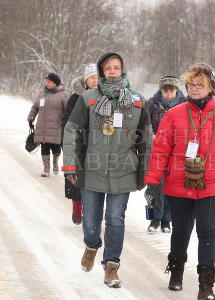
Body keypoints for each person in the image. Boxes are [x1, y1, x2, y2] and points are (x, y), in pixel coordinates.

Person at [144, 63, 215, 300]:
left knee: (208, 231)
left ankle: (206, 285)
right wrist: (152, 183)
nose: (193, 88)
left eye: (199, 84)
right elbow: (160, 151)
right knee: (181, 231)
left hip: (213, 183)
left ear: (211, 87)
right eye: (190, 84)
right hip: (179, 182)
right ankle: (177, 270)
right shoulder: (173, 115)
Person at [62, 52, 152, 288]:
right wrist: (70, 164)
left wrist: (146, 170)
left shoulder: (137, 100)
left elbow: (147, 140)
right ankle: (91, 245)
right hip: (92, 169)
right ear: (101, 71)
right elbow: (71, 130)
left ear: (122, 70)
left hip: (123, 170)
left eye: (116, 67)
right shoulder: (88, 98)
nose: (112, 71)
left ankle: (111, 266)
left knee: (115, 220)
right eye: (108, 68)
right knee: (90, 220)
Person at [146, 75, 186, 233]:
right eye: (166, 90)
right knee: (155, 184)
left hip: (177, 151)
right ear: (161, 90)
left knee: (172, 185)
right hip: (157, 149)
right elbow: (145, 123)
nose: (169, 94)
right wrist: (151, 136)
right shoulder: (151, 104)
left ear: (177, 90)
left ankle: (166, 220)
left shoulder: (186, 104)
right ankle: (154, 219)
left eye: (172, 90)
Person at [61, 64, 98, 225]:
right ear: (86, 80)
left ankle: (93, 213)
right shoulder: (75, 97)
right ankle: (77, 208)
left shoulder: (103, 97)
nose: (95, 80)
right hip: (78, 146)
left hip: (97, 146)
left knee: (95, 183)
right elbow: (66, 123)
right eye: (92, 77)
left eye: (98, 77)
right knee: (77, 181)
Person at [27, 73, 69, 177]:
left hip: (56, 127)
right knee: (44, 148)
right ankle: (46, 169)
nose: (47, 83)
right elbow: (35, 107)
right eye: (47, 81)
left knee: (56, 148)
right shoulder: (42, 94)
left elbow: (69, 109)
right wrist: (31, 117)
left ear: (55, 83)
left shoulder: (63, 94)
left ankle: (55, 163)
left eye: (49, 81)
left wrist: (67, 122)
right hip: (42, 127)